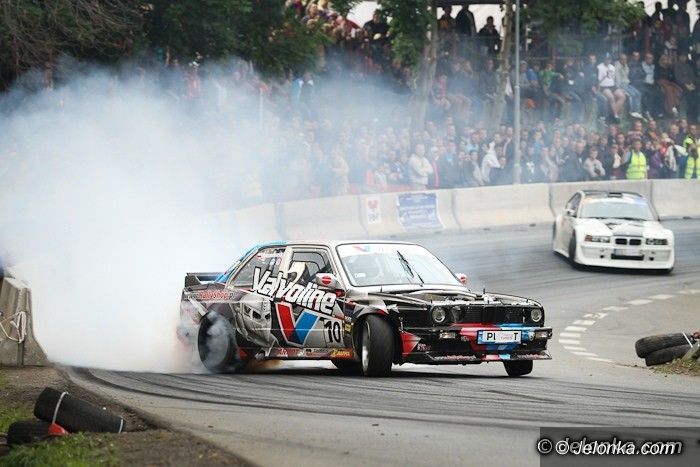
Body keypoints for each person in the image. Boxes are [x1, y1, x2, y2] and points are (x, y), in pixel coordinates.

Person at [614, 54, 644, 119]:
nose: (624, 60)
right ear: (620, 60)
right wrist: (619, 88)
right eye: (622, 59)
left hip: (627, 84)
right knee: (632, 94)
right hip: (621, 85)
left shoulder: (626, 66)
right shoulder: (617, 67)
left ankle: (638, 111)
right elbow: (617, 78)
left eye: (625, 59)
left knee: (638, 93)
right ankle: (632, 111)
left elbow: (627, 76)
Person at [598, 54, 626, 121]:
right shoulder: (599, 67)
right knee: (611, 97)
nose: (608, 60)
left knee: (622, 96)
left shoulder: (612, 67)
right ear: (604, 59)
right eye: (606, 59)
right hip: (603, 86)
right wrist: (598, 89)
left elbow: (613, 78)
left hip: (612, 86)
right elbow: (598, 80)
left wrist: (618, 88)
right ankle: (615, 115)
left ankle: (613, 114)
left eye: (609, 59)